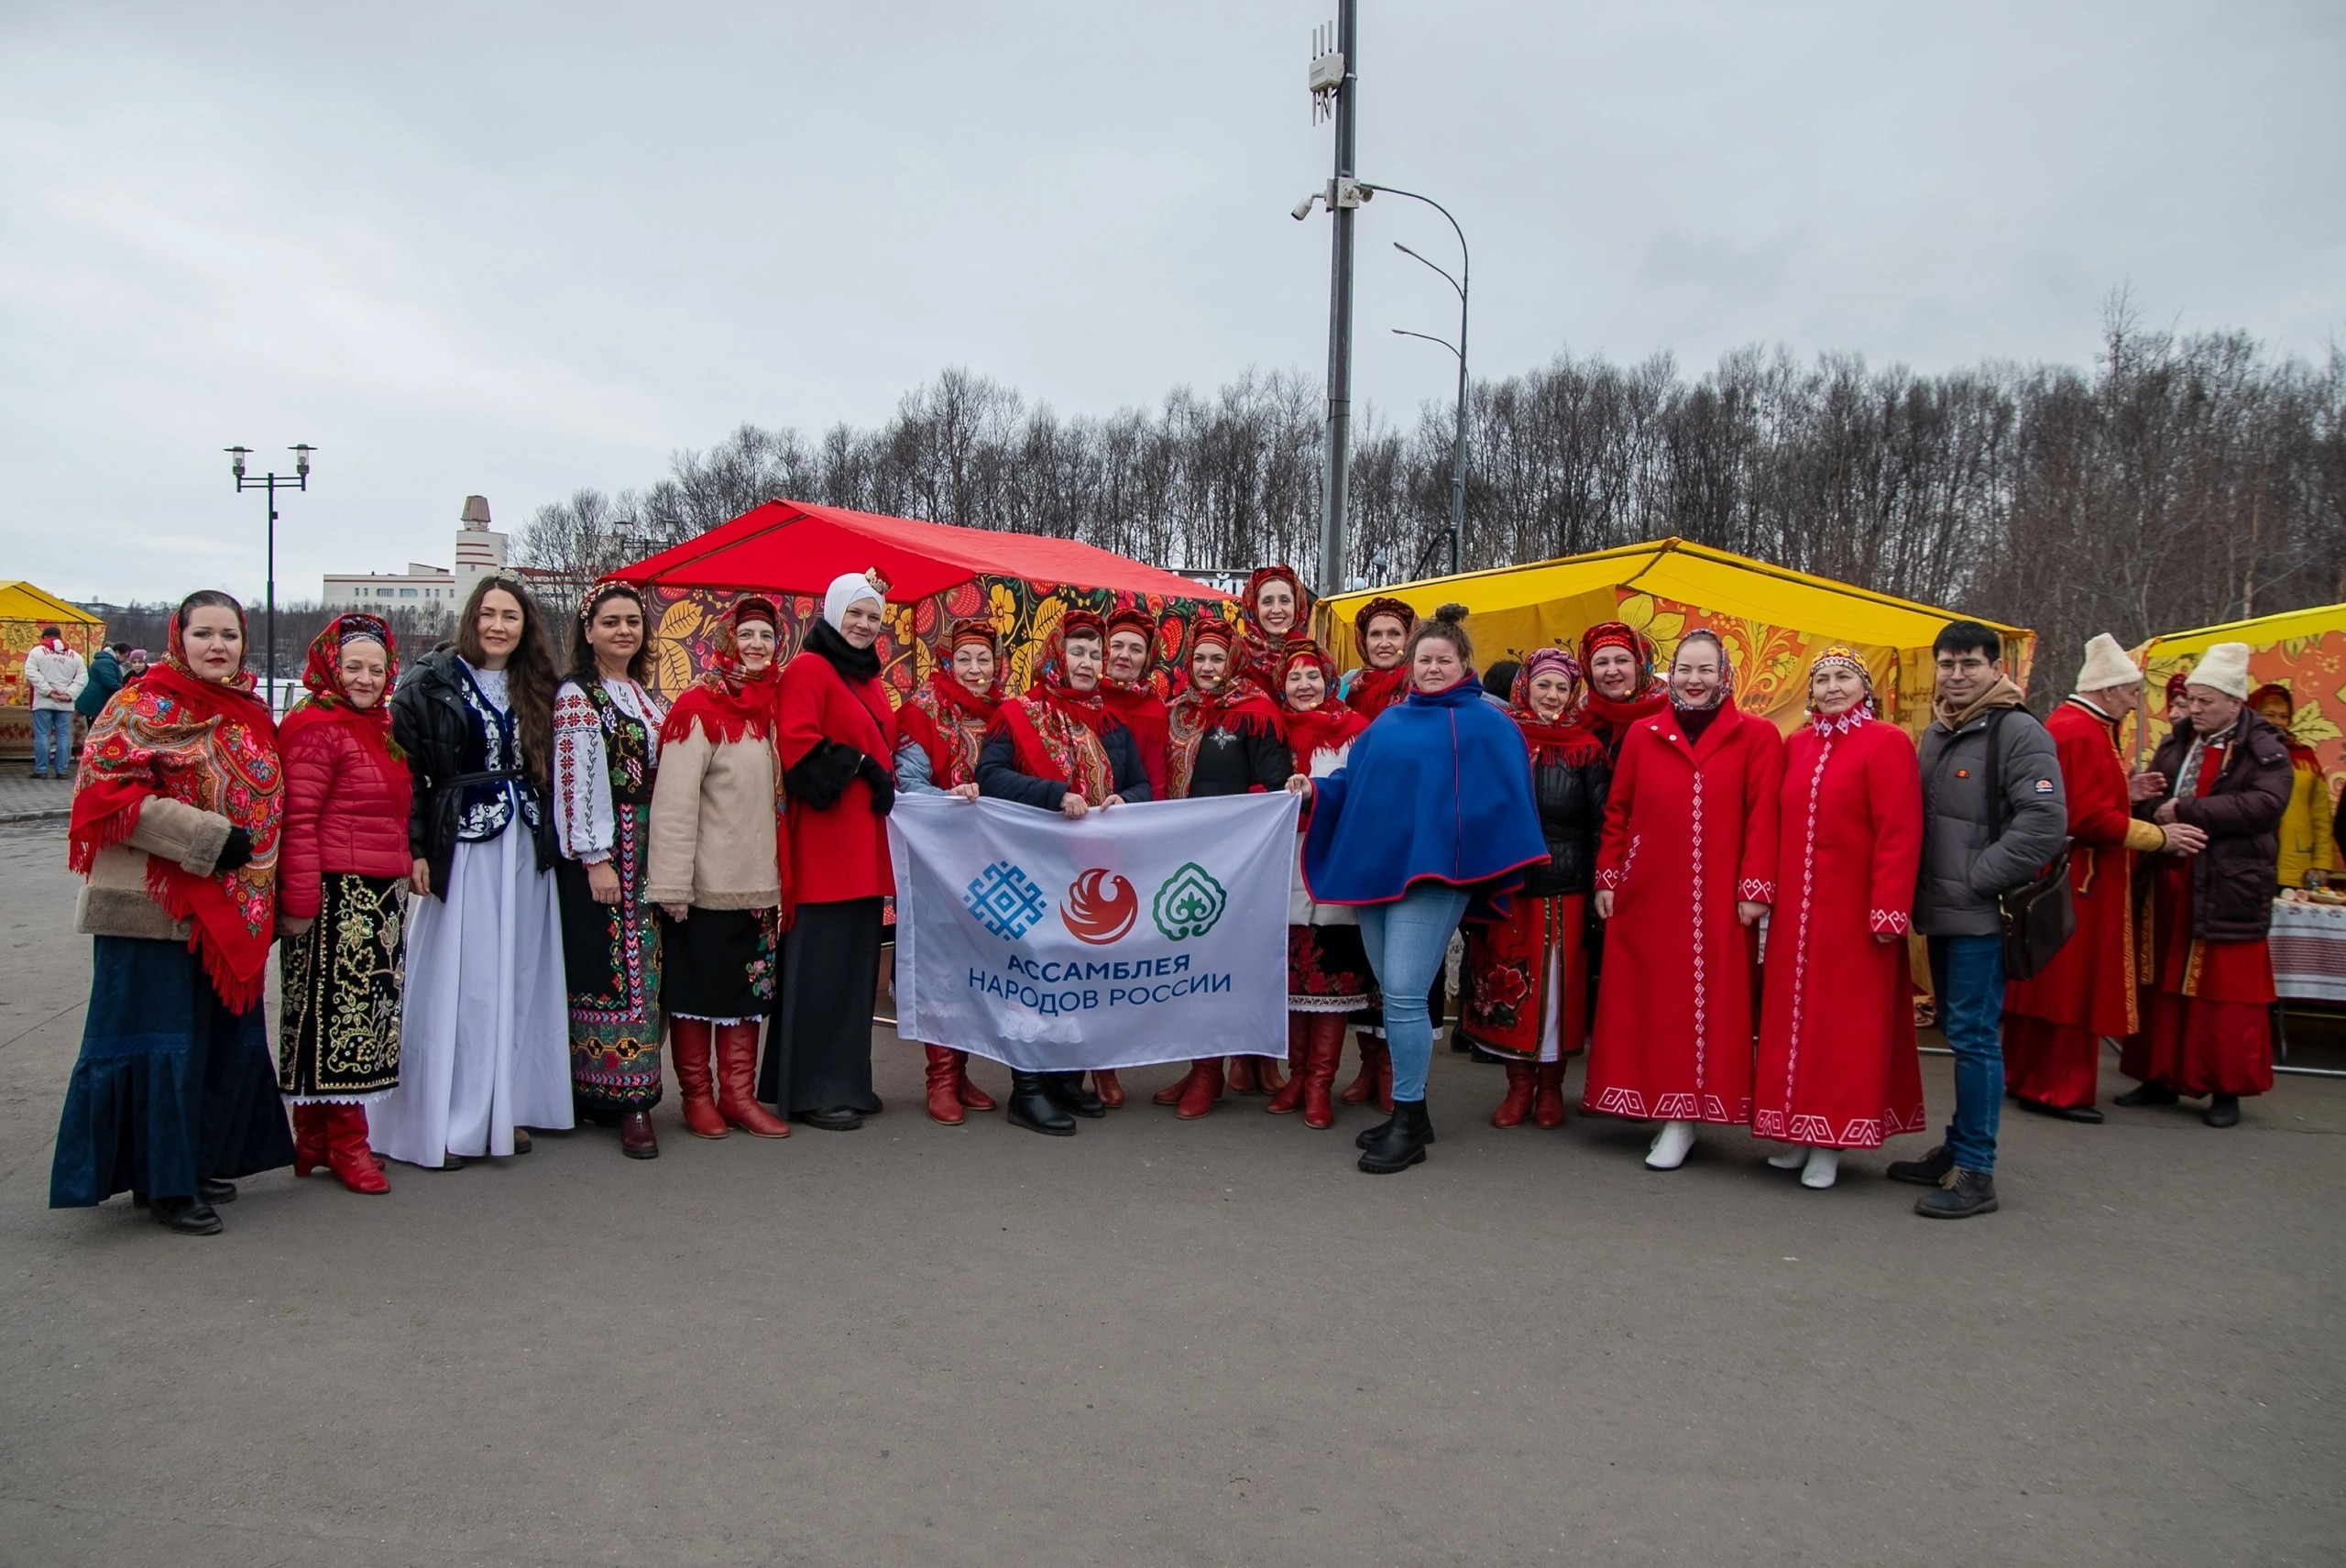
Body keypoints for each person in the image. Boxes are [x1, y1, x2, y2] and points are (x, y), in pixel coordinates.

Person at [52, 591, 292, 1234]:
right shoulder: (141, 702)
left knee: (208, 1040)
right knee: (164, 1040)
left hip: (227, 907)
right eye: (204, 633)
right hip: (155, 906)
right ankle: (163, 1183)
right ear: (177, 638)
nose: (219, 645)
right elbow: (104, 790)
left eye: (230, 635)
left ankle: (189, 1159)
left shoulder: (245, 708)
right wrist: (205, 838)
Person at [1294, 603, 1548, 1174]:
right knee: (1391, 991)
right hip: (1381, 870)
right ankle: (1415, 1112)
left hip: (1437, 878)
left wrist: (1465, 845)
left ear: (1464, 664)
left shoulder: (1488, 724)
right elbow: (1354, 786)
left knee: (1407, 994)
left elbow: (1506, 800)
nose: (1432, 668)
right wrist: (1316, 792)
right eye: (1424, 660)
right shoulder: (1390, 720)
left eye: (1443, 660)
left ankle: (1409, 1119)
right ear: (1411, 666)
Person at [375, 575, 571, 1170]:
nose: (497, 625)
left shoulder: (538, 685)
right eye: (487, 613)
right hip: (461, 843)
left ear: (525, 625)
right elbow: (402, 775)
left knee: (517, 978)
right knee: (465, 983)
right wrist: (413, 850)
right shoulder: (429, 682)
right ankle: (451, 1113)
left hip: (524, 848)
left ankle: (503, 1104)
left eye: (510, 615)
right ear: (471, 617)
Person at [1584, 629, 1782, 1169]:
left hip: (1721, 897)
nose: (1695, 682)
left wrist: (1756, 887)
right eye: (1686, 671)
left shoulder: (1757, 736)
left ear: (1725, 676)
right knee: (1650, 1003)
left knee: (1708, 1007)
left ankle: (1685, 1118)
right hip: (1649, 891)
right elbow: (1618, 812)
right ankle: (1657, 1106)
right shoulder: (1645, 734)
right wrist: (1608, 876)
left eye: (1706, 671)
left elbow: (1765, 816)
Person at [1890, 620, 2066, 1219]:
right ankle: (1958, 1147)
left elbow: (2043, 824)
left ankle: (1978, 1170)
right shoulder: (1940, 731)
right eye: (1947, 664)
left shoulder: (2018, 732)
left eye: (1969, 664)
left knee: (1972, 1038)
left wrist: (1976, 876)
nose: (1957, 674)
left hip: (1982, 916)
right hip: (1942, 912)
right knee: (1959, 1032)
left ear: (1996, 668)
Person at [2002, 635, 2198, 1124]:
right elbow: (2088, 819)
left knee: (2048, 985)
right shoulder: (2083, 733)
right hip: (2083, 882)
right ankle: (2057, 1088)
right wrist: (2159, 836)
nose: (2136, 702)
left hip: (2071, 876)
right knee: (2072, 987)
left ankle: (2028, 1075)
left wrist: (2124, 790)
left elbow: (2080, 798)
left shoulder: (2076, 726)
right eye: (2131, 693)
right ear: (2108, 691)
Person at [1750, 649, 1926, 1189]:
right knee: (1793, 1024)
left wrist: (1889, 907)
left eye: (1843, 677)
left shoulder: (1887, 742)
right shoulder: (1796, 746)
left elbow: (1900, 830)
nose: (1831, 687)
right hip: (1796, 920)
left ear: (1864, 687)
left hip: (1855, 916)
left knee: (1844, 1028)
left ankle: (1833, 1139)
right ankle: (1798, 1131)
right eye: (1822, 678)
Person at [978, 610, 1154, 1133]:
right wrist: (1056, 795)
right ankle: (1026, 1089)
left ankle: (1065, 1080)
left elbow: (1144, 785)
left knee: (1082, 976)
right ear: (1057, 654)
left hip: (1093, 872)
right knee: (1036, 975)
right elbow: (990, 777)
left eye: (1095, 655)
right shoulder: (1018, 714)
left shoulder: (1112, 722)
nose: (1088, 662)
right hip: (1034, 864)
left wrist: (1126, 797)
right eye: (1078, 652)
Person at [2117, 642, 2291, 1128]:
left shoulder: (2266, 748)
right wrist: (2146, 805)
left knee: (2223, 991)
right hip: (2171, 877)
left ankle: (2225, 1089)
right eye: (2191, 699)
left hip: (2227, 883)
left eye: (2205, 701)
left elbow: (2264, 806)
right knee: (2159, 980)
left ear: (2236, 703)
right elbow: (2158, 797)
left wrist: (2187, 811)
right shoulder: (2177, 741)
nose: (2193, 709)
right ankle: (2157, 1075)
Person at [275, 613, 410, 1196]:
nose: (365, 678)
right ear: (330, 665)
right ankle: (346, 1142)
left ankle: (314, 1140)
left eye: (376, 669)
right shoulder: (315, 725)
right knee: (337, 1022)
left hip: (379, 889)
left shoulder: (378, 725)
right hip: (336, 891)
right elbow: (298, 820)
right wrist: (301, 901)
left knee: (362, 1017)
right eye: (353, 666)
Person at [646, 596, 789, 1141]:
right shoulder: (697, 709)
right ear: (728, 640)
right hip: (705, 886)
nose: (756, 645)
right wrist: (673, 884)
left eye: (766, 636)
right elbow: (675, 804)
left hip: (760, 885)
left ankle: (740, 1095)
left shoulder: (776, 707)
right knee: (696, 995)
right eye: (747, 634)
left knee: (747, 996)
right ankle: (698, 1097)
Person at [763, 571, 897, 1132]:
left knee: (852, 971)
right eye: (856, 614)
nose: (865, 626)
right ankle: (812, 1088)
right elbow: (796, 747)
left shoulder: (866, 678)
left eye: (874, 618)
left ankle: (844, 1079)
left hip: (861, 847)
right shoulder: (810, 669)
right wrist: (861, 765)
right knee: (821, 968)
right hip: (825, 848)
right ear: (833, 612)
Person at [1457, 648, 1610, 1129]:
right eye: (1543, 685)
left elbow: (1600, 824)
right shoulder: (1503, 738)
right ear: (1525, 687)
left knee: (1556, 993)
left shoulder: (1586, 748)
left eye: (1562, 688)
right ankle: (1517, 1087)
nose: (1551, 696)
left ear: (1574, 694)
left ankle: (1550, 1089)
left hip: (1565, 886)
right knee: (1504, 985)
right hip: (1508, 883)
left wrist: (1597, 886)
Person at [1157, 618, 1294, 1117]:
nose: (1208, 668)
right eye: (1200, 659)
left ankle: (1210, 1074)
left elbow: (1276, 787)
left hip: (1232, 865)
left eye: (1217, 658)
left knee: (1218, 969)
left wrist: (1236, 823)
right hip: (1181, 859)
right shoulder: (1178, 713)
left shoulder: (1256, 713)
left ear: (1232, 660)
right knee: (1185, 968)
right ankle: (1195, 1066)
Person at [554, 583, 672, 1157]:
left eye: (632, 621)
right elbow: (578, 780)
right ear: (588, 630)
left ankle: (622, 1093)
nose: (623, 631)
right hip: (611, 844)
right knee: (618, 975)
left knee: (645, 974)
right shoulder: (579, 696)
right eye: (610, 622)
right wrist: (595, 858)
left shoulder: (645, 697)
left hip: (649, 842)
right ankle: (626, 1099)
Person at [893, 617, 1005, 1125]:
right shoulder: (923, 713)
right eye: (965, 659)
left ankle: (961, 1071)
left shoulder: (1009, 713)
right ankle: (939, 1077)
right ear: (948, 661)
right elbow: (909, 783)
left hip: (990, 859)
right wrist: (953, 800)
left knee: (975, 964)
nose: (975, 669)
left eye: (984, 659)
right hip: (939, 857)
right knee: (941, 965)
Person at [1264, 642, 1375, 1128]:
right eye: (1294, 678)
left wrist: (1316, 790)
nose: (1304, 685)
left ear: (1330, 680)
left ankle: (1319, 1084)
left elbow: (1365, 790)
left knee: (1332, 981)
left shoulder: (1356, 732)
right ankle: (1296, 1074)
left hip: (1333, 863)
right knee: (1291, 979)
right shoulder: (1272, 730)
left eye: (1313, 675)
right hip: (1282, 864)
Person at [1087, 606, 1173, 1111]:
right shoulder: (1077, 698)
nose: (1122, 656)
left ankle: (1106, 1063)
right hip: (1073, 838)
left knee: (1117, 958)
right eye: (1115, 646)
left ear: (1147, 661)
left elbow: (1155, 780)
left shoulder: (1155, 710)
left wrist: (1144, 826)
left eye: (1134, 649)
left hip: (1128, 840)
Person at [2249, 683, 2333, 891]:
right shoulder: (2240, 754)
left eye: (2283, 716)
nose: (2277, 722)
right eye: (2270, 714)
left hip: (2294, 866)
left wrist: (2322, 864)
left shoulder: (2304, 757)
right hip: (2249, 863)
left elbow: (2320, 816)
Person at [1579, 620, 1669, 764]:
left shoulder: (1669, 713)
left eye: (1621, 660)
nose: (1612, 671)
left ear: (1639, 665)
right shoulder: (1579, 718)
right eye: (1601, 663)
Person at [23, 623, 87, 779]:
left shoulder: (37, 652)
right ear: (60, 637)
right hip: (65, 703)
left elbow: (31, 672)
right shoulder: (75, 656)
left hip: (43, 701)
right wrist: (69, 694)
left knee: (42, 735)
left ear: (44, 637)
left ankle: (41, 770)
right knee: (64, 736)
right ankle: (62, 771)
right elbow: (83, 678)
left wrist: (48, 691)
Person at [1342, 597, 1416, 721]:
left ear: (1409, 639)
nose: (1384, 643)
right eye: (1375, 634)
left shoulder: (1421, 684)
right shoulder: (1343, 687)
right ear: (1364, 642)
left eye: (1394, 634)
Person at [1238, 565, 1308, 689]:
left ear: (1297, 606)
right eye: (1267, 601)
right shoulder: (1237, 659)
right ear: (1254, 608)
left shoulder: (1311, 654)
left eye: (1285, 600)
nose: (1276, 610)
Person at [74, 642, 126, 727]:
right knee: (94, 726)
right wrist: (124, 689)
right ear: (117, 652)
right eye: (125, 656)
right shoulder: (107, 662)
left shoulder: (105, 661)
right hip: (95, 700)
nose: (125, 660)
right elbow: (110, 683)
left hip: (95, 699)